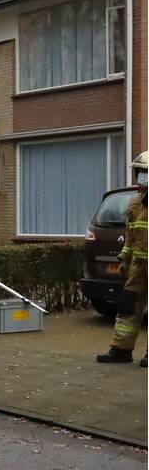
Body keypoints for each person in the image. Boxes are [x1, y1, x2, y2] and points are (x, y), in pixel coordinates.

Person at [97, 151, 147, 367]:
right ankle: (121, 350)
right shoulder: (136, 203)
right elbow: (130, 236)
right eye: (139, 172)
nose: (140, 177)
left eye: (144, 172)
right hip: (138, 268)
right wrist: (124, 258)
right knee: (127, 306)